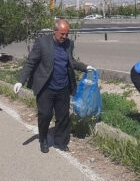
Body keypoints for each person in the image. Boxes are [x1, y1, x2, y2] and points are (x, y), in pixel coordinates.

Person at [13, 19, 96, 154]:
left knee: (63, 116)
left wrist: (86, 67)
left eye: (67, 34)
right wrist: (20, 81)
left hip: (63, 86)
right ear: (54, 31)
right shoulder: (42, 43)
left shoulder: (69, 44)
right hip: (46, 87)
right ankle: (43, 139)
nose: (64, 37)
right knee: (45, 115)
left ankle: (60, 141)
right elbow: (30, 62)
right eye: (62, 34)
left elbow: (71, 62)